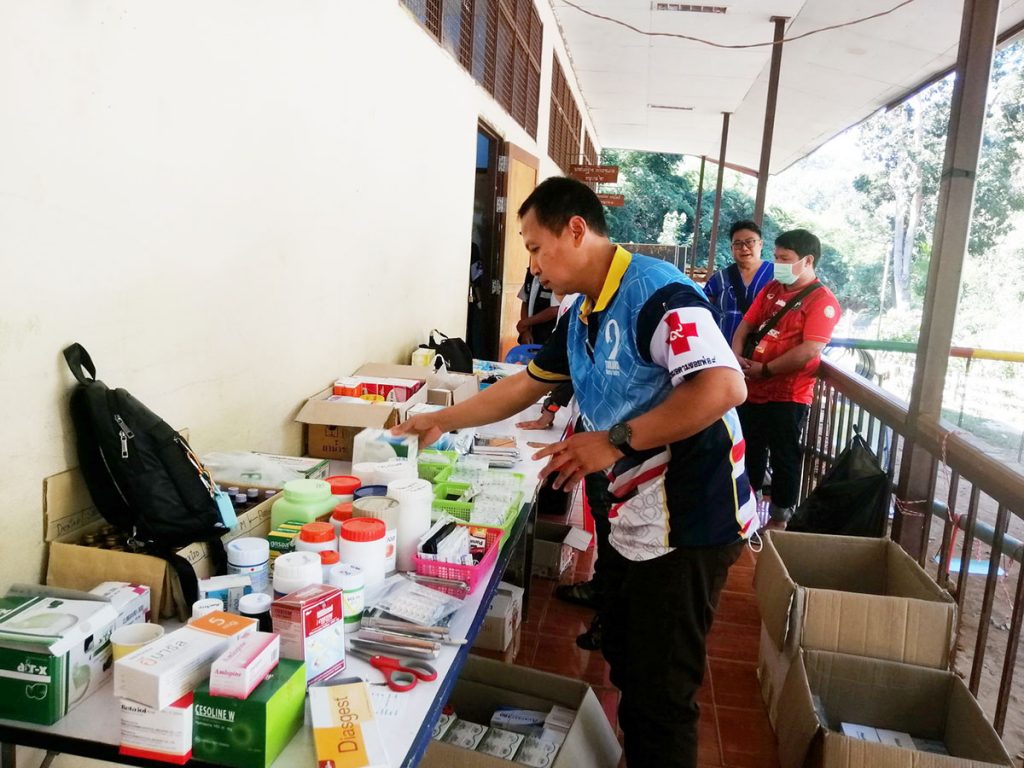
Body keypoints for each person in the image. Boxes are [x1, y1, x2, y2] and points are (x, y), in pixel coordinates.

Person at [395, 176, 756, 768]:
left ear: (577, 230)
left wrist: (613, 441)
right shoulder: (583, 311)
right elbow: (525, 385)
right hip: (635, 506)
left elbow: (723, 387)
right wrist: (442, 419)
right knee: (627, 659)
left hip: (692, 513)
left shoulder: (658, 292)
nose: (533, 265)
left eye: (536, 248)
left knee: (662, 693)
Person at [731, 228, 842, 528]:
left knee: (785, 455)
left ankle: (780, 516)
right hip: (752, 386)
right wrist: (736, 356)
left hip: (788, 392)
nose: (778, 264)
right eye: (776, 257)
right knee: (750, 448)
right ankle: (747, 507)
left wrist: (766, 369)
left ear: (808, 260)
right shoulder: (772, 289)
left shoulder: (822, 301)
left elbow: (810, 349)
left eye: (785, 258)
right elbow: (746, 325)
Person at [515, 380, 614, 652]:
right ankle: (602, 588)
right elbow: (569, 369)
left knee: (617, 525)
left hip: (619, 437)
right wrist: (552, 406)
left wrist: (620, 439)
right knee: (603, 514)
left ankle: (613, 616)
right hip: (596, 427)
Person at [703, 219, 774, 345]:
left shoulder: (776, 276)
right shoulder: (719, 278)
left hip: (760, 352)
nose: (744, 248)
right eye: (738, 243)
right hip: (722, 349)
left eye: (750, 242)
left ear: (760, 244)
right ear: (732, 248)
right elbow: (703, 310)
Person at [516, 267, 559, 344]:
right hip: (529, 333)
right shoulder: (530, 274)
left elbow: (555, 310)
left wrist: (525, 323)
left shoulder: (555, 276)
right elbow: (525, 300)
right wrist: (524, 331)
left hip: (548, 334)